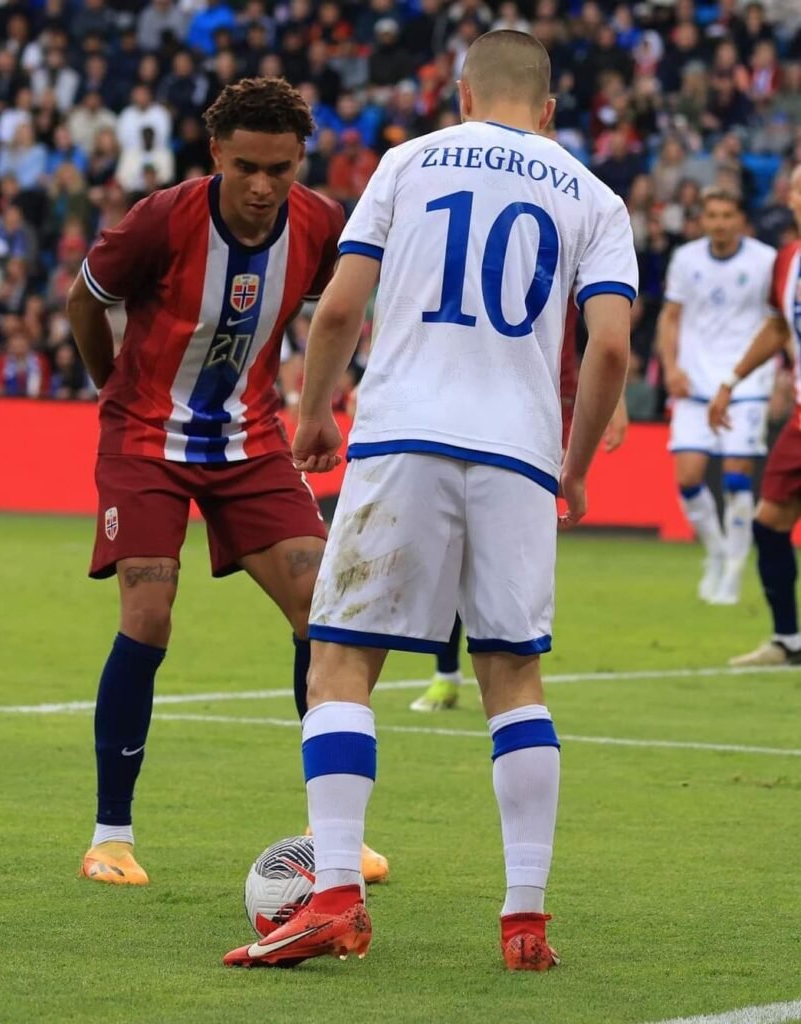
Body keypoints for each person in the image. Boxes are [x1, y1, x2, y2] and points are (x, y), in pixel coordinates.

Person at [223, 30, 636, 970]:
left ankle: (335, 898)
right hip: (519, 452)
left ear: (462, 96)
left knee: (340, 665)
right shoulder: (595, 197)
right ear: (549, 110)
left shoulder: (408, 163)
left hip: (403, 433)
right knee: (514, 681)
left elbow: (339, 308)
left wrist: (314, 414)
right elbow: (609, 348)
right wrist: (572, 469)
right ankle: (525, 920)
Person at [66, 77, 387, 889]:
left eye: (281, 169)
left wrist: (320, 405)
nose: (263, 186)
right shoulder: (161, 219)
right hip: (145, 441)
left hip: (250, 442)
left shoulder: (320, 225)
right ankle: (110, 837)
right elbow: (84, 300)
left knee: (325, 611)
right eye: (246, 167)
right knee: (149, 612)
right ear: (216, 154)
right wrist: (111, 391)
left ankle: (332, 832)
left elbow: (341, 311)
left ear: (300, 160)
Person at [410, 303, 631, 713]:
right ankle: (447, 673)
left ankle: (504, 675)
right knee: (455, 544)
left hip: (543, 407)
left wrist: (612, 397)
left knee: (500, 554)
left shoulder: (563, 262)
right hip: (465, 396)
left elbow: (600, 326)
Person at [657, 187, 777, 605]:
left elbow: (778, 321)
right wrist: (671, 369)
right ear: (703, 219)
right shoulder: (686, 259)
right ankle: (716, 551)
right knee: (688, 478)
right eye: (712, 215)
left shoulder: (765, 261)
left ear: (741, 220)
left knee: (736, 476)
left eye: (727, 215)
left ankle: (734, 572)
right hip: (694, 383)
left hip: (746, 382)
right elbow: (670, 317)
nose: (720, 223)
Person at [708, 164, 801, 665]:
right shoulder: (788, 260)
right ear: (791, 199)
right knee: (768, 525)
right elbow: (779, 328)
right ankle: (788, 640)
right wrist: (731, 381)